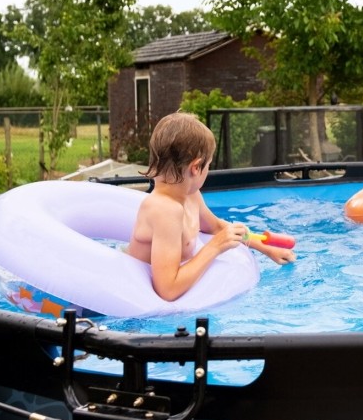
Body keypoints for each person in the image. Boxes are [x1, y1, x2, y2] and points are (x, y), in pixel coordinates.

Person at [126, 112, 295, 301]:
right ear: (196, 167)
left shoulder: (191, 196)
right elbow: (167, 290)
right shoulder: (164, 210)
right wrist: (215, 247)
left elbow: (215, 227)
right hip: (141, 305)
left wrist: (266, 248)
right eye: (208, 165)